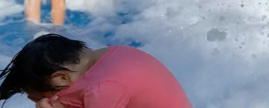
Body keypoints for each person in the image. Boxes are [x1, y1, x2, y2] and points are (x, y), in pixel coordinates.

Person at [0, 34, 193, 107]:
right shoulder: (116, 53)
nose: (41, 103)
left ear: (60, 78)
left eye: (40, 97)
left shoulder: (103, 88)